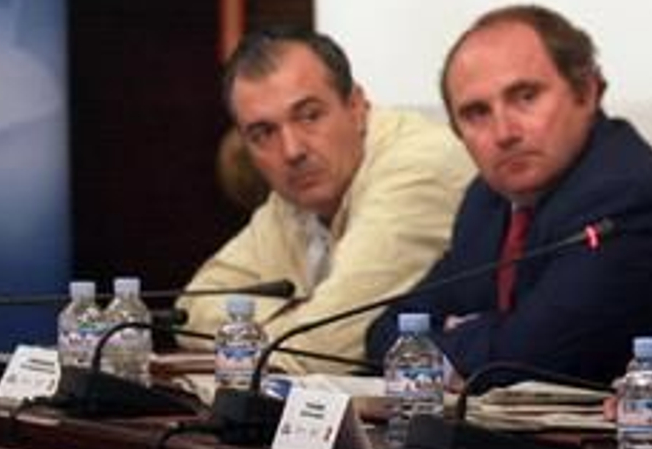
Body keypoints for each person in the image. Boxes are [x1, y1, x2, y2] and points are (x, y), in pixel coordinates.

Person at [364, 5, 652, 386]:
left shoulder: (628, 196)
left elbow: (519, 360)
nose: (504, 132)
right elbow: (385, 334)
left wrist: (456, 332)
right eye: (477, 113)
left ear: (587, 91)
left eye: (526, 96)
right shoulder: (487, 201)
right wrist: (481, 333)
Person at [181, 26, 473, 370]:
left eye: (309, 115)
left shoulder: (419, 168)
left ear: (356, 106)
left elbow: (321, 350)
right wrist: (301, 315)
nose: (292, 150)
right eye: (264, 133)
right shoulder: (299, 195)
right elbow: (190, 310)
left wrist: (249, 328)